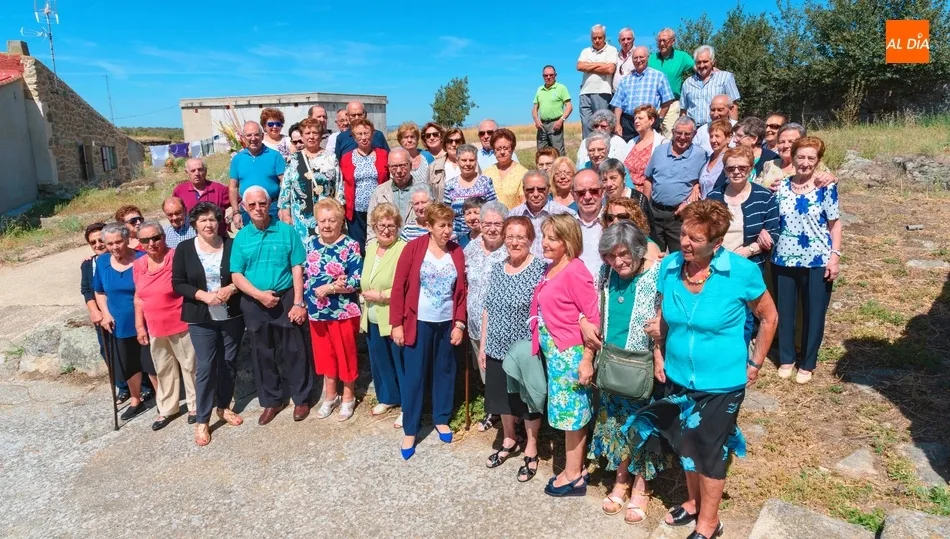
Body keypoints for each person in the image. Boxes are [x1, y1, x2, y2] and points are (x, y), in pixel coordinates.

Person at [626, 200, 777, 539]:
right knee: (686, 443)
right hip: (678, 375)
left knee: (709, 451)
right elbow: (663, 316)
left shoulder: (741, 272)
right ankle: (694, 502)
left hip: (721, 382)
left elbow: (769, 317)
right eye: (683, 234)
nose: (685, 243)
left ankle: (709, 523)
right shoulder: (670, 267)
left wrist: (755, 363)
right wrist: (659, 354)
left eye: (695, 239)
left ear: (717, 243)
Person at [586, 222, 669, 524]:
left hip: (642, 364)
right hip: (612, 362)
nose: (617, 261)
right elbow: (594, 309)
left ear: (638, 250)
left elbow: (663, 317)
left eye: (623, 254)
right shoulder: (605, 272)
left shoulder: (657, 274)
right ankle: (620, 479)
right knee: (616, 424)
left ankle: (641, 487)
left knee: (642, 426)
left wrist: (658, 354)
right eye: (610, 255)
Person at [230, 186, 313, 425]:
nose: (258, 208)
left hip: (286, 296)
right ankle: (272, 401)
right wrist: (259, 296)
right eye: (252, 205)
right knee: (262, 352)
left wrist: (298, 302)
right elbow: (236, 274)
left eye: (262, 203)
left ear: (269, 205)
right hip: (254, 301)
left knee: (295, 349)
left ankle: (301, 398)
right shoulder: (241, 238)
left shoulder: (287, 231)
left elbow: (297, 267)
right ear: (244, 207)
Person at [390, 203, 468, 460]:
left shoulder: (456, 251)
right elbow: (399, 286)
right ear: (429, 227)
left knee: (444, 371)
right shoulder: (414, 249)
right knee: (414, 376)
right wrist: (397, 324)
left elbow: (461, 292)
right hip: (418, 322)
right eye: (441, 225)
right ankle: (410, 429)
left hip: (446, 323)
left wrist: (459, 323)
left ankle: (441, 418)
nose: (447, 230)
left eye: (450, 225)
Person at [529, 214, 599, 496]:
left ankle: (572, 475)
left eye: (553, 238)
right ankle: (575, 469)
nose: (545, 243)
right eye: (544, 237)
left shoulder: (575, 270)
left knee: (573, 416)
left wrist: (587, 359)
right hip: (557, 355)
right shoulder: (553, 267)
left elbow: (592, 318)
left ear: (568, 241)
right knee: (569, 415)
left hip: (570, 355)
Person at [171, 202, 245, 447]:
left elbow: (243, 274)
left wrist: (231, 288)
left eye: (212, 219)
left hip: (231, 314)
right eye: (203, 220)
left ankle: (223, 407)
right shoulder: (184, 248)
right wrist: (203, 295)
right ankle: (202, 419)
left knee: (229, 362)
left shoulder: (232, 245)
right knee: (206, 366)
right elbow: (178, 283)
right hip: (201, 316)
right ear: (194, 224)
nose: (208, 224)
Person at [479, 216, 547, 482]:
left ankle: (532, 446)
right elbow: (488, 308)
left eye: (521, 237)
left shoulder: (540, 269)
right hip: (496, 346)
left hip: (524, 349)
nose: (515, 242)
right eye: (510, 237)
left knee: (528, 400)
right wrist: (483, 345)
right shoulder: (497, 268)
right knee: (502, 398)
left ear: (531, 239)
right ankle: (509, 439)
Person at [772, 136, 841, 385]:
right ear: (793, 157)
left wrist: (835, 257)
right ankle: (787, 358)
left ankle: (808, 362)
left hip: (817, 260)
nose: (805, 162)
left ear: (818, 160)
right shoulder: (780, 186)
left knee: (814, 313)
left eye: (811, 158)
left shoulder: (826, 187)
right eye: (801, 156)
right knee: (785, 311)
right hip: (783, 258)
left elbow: (835, 224)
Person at [132, 221, 198, 431]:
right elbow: (139, 297)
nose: (151, 243)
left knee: (190, 366)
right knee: (163, 369)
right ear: (140, 243)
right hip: (155, 326)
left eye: (156, 238)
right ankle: (168, 408)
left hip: (181, 321)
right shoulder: (138, 265)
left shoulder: (177, 257)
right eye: (145, 240)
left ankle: (195, 405)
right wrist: (140, 326)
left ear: (164, 237)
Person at [304, 199, 363, 421]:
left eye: (332, 220)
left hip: (343, 310)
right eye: (323, 221)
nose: (327, 225)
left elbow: (356, 279)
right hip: (317, 311)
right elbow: (305, 275)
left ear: (340, 222)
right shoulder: (310, 243)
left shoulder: (350, 245)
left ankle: (348, 396)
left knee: (345, 353)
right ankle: (330, 395)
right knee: (324, 354)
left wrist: (331, 288)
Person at [93, 223, 157, 421]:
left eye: (118, 242)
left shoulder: (142, 258)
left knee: (152, 364)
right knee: (129, 365)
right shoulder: (102, 262)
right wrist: (105, 314)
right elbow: (99, 291)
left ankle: (163, 400)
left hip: (146, 321)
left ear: (128, 239)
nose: (114, 247)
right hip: (119, 323)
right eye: (110, 243)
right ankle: (135, 400)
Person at [360, 203, 408, 427]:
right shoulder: (371, 248)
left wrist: (381, 295)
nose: (386, 230)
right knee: (380, 361)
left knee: (401, 364)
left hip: (392, 316)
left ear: (398, 227)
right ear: (374, 226)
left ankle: (408, 406)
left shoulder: (403, 249)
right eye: (381, 225)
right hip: (371, 315)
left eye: (391, 225)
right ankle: (388, 397)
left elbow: (405, 286)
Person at [80, 222, 132, 402]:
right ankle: (122, 387)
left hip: (122, 311)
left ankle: (142, 387)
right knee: (109, 351)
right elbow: (87, 290)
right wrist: (95, 311)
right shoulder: (88, 264)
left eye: (100, 240)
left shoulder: (123, 258)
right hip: (102, 314)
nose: (97, 245)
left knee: (129, 351)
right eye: (92, 242)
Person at [707, 146, 780, 272]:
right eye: (730, 168)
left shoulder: (764, 197)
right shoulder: (713, 197)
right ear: (725, 171)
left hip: (750, 265)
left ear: (751, 168)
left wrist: (750, 250)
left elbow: (774, 233)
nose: (736, 172)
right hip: (715, 263)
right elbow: (703, 230)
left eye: (742, 168)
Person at [463, 200, 510, 387]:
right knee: (485, 371)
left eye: (497, 224)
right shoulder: (471, 249)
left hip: (502, 327)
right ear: (481, 225)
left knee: (503, 375)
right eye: (487, 224)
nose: (492, 229)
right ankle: (490, 402)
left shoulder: (510, 250)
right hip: (475, 324)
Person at [645, 116, 705, 252]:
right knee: (654, 253)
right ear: (673, 132)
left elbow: (705, 179)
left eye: (687, 134)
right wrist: (645, 206)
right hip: (655, 212)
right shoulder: (659, 151)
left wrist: (696, 186)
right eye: (679, 133)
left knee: (680, 255)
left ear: (694, 134)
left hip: (679, 215)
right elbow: (649, 179)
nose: (682, 137)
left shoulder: (700, 155)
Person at [278, 117, 341, 248]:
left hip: (326, 218)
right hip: (300, 219)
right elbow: (286, 189)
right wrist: (286, 214)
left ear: (321, 135)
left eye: (315, 133)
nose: (311, 136)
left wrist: (339, 215)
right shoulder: (293, 159)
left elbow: (339, 188)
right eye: (307, 133)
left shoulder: (331, 158)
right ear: (302, 136)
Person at [339, 118, 389, 252]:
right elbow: (342, 182)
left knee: (379, 242)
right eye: (359, 134)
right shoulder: (346, 158)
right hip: (356, 211)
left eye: (366, 133)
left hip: (379, 208)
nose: (363, 137)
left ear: (372, 135)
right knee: (358, 246)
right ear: (354, 137)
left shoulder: (383, 155)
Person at [229, 121, 286, 229]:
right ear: (243, 138)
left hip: (272, 207)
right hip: (248, 209)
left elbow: (285, 183)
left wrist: (284, 208)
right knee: (252, 238)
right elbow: (233, 187)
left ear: (262, 136)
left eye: (256, 134)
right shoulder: (237, 159)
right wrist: (236, 212)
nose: (253, 138)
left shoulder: (275, 155)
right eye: (249, 135)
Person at [610, 46, 674, 141]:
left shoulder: (659, 76)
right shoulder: (625, 80)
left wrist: (660, 119)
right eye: (635, 58)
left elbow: (667, 101)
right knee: (628, 149)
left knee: (649, 148)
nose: (638, 60)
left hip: (649, 122)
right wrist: (617, 124)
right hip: (628, 124)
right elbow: (618, 104)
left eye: (641, 57)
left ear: (647, 57)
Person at [511, 170, 577, 257]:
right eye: (530, 190)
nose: (535, 194)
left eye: (541, 189)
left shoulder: (564, 214)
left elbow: (572, 250)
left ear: (548, 189)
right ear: (524, 190)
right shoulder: (514, 215)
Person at [757, 123, 836, 190]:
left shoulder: (813, 165)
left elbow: (831, 181)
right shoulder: (770, 164)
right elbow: (755, 188)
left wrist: (832, 178)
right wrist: (767, 190)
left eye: (791, 142)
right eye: (782, 142)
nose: (786, 146)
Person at [443, 143, 498, 238]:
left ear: (476, 161)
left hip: (481, 236)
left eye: (471, 160)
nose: (468, 164)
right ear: (457, 161)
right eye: (464, 160)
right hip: (456, 237)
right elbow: (446, 214)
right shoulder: (450, 185)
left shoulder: (485, 182)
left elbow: (493, 210)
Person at [648, 28, 695, 136]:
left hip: (672, 104)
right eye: (659, 41)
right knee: (651, 135)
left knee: (668, 135)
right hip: (653, 104)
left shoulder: (682, 56)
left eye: (665, 40)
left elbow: (698, 68)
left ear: (673, 41)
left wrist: (713, 70)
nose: (662, 44)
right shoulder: (651, 58)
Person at [680, 45, 741, 127]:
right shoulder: (688, 83)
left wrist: (733, 129)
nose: (702, 65)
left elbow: (733, 106)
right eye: (698, 62)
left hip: (718, 127)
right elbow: (684, 111)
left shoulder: (725, 78)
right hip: (694, 130)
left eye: (705, 62)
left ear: (713, 62)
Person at [576, 24, 618, 139]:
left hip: (602, 92)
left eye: (600, 37)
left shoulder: (611, 50)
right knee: (586, 124)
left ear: (604, 37)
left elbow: (610, 69)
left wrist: (588, 66)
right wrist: (601, 64)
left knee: (601, 124)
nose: (597, 40)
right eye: (594, 38)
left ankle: (602, 147)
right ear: (591, 38)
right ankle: (587, 148)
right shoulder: (586, 51)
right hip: (585, 92)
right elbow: (579, 66)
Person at [367, 148, 415, 243]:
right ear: (389, 168)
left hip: (414, 245)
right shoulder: (379, 192)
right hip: (387, 246)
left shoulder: (423, 191)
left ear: (410, 165)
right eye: (394, 166)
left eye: (403, 165)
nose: (399, 170)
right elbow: (371, 225)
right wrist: (371, 248)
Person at [173, 158, 230, 237]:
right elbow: (173, 212)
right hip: (191, 239)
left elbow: (241, 203)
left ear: (205, 171)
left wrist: (232, 216)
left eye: (200, 170)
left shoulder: (219, 189)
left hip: (218, 237)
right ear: (187, 172)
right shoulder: (180, 191)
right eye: (193, 171)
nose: (197, 173)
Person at [622, 105, 668, 194]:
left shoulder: (662, 143)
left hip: (648, 193)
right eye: (635, 118)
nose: (636, 121)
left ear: (651, 120)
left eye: (640, 118)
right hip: (627, 191)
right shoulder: (631, 142)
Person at [483, 129, 529, 209]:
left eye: (506, 148)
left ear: (512, 149)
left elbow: (524, 204)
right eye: (498, 149)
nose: (502, 152)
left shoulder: (523, 173)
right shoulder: (487, 174)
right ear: (493, 150)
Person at [574, 169, 607, 279]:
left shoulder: (614, 220)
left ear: (602, 192)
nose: (587, 197)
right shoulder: (567, 226)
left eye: (594, 191)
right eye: (581, 193)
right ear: (573, 195)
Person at [532, 65, 572, 156]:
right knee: (542, 152)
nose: (548, 77)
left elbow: (569, 107)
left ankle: (561, 165)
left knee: (558, 152)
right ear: (543, 76)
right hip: (542, 124)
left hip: (555, 123)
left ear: (555, 75)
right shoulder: (540, 89)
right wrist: (536, 120)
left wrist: (561, 120)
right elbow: (534, 108)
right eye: (546, 75)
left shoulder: (561, 88)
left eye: (551, 75)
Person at [427, 128, 465, 202]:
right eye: (450, 141)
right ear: (445, 144)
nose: (454, 144)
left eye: (457, 141)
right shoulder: (434, 167)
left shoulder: (471, 164)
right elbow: (428, 195)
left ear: (462, 143)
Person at [698, 119, 732, 198]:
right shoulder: (708, 158)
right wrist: (696, 186)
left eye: (717, 136)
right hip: (704, 204)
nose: (713, 140)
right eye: (711, 136)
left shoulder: (731, 159)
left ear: (728, 138)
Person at [396, 122, 430, 186]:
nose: (409, 140)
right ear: (400, 141)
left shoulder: (427, 157)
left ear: (417, 139)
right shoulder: (396, 159)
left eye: (412, 137)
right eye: (406, 137)